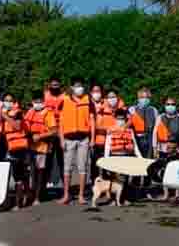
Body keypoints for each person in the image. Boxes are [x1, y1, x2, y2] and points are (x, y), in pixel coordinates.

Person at [58, 77, 95, 205]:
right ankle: (66, 195)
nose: (79, 88)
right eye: (76, 86)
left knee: (82, 167)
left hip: (83, 138)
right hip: (68, 138)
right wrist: (61, 139)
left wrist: (92, 138)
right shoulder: (64, 100)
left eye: (81, 85)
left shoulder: (88, 99)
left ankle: (81, 195)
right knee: (67, 168)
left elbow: (92, 120)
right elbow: (61, 122)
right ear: (72, 87)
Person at [24, 90, 57, 205]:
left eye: (40, 101)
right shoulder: (30, 112)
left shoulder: (48, 113)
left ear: (43, 101)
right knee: (31, 172)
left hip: (42, 147)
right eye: (36, 101)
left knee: (40, 172)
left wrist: (40, 136)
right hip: (30, 147)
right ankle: (31, 195)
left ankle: (37, 197)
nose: (38, 103)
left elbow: (53, 131)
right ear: (32, 102)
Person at [151, 96, 179, 201]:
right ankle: (165, 194)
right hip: (162, 148)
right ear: (164, 106)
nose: (170, 106)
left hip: (177, 148)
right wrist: (154, 148)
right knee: (164, 171)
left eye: (172, 104)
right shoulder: (160, 117)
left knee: (177, 171)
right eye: (168, 104)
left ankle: (177, 193)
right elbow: (154, 134)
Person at [1, 94, 32, 208]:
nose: (8, 103)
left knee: (19, 176)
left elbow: (18, 126)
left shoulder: (17, 113)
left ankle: (18, 203)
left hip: (19, 148)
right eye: (6, 100)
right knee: (18, 176)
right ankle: (26, 194)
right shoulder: (1, 113)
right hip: (7, 147)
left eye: (10, 101)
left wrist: (5, 116)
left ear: (14, 102)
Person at [91, 86, 123, 181]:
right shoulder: (101, 110)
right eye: (109, 97)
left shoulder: (123, 109)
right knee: (98, 166)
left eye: (113, 97)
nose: (111, 99)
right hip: (101, 141)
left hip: (116, 143)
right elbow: (96, 126)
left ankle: (114, 186)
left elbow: (127, 123)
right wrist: (108, 129)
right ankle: (97, 186)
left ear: (117, 97)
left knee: (114, 166)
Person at [44, 77, 65, 187]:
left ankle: (64, 187)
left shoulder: (65, 96)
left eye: (57, 85)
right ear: (49, 86)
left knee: (62, 161)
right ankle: (44, 185)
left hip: (62, 132)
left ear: (60, 86)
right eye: (53, 85)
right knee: (47, 160)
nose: (55, 87)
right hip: (49, 133)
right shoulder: (45, 96)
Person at [130, 87, 158, 159]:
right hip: (136, 138)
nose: (144, 99)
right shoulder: (132, 109)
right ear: (138, 98)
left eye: (147, 97)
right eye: (142, 97)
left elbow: (156, 128)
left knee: (149, 159)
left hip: (149, 138)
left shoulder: (154, 110)